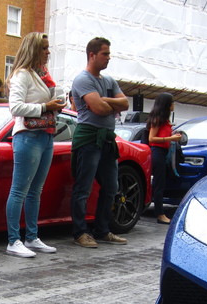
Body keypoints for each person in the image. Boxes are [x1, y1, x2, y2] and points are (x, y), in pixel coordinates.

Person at [5, 32, 66, 258]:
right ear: (34, 50)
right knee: (19, 190)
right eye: (44, 48)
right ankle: (13, 241)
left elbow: (53, 101)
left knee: (35, 191)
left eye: (48, 48)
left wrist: (57, 101)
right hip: (28, 136)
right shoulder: (23, 75)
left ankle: (31, 237)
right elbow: (15, 108)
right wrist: (45, 106)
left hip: (46, 135)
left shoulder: (43, 75)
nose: (48, 52)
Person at [70, 37, 129, 248]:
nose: (109, 58)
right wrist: (111, 103)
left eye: (109, 54)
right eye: (105, 54)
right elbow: (99, 109)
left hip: (107, 139)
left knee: (111, 187)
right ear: (92, 55)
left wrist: (107, 100)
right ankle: (80, 233)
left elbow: (125, 103)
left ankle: (102, 230)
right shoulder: (82, 80)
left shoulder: (109, 81)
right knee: (83, 188)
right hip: (89, 138)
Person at [146, 92, 182, 224]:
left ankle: (159, 212)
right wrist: (171, 138)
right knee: (158, 184)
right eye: (172, 102)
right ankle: (160, 214)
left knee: (160, 183)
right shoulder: (158, 119)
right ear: (166, 104)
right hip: (157, 152)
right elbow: (151, 138)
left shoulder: (165, 120)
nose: (173, 105)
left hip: (162, 152)